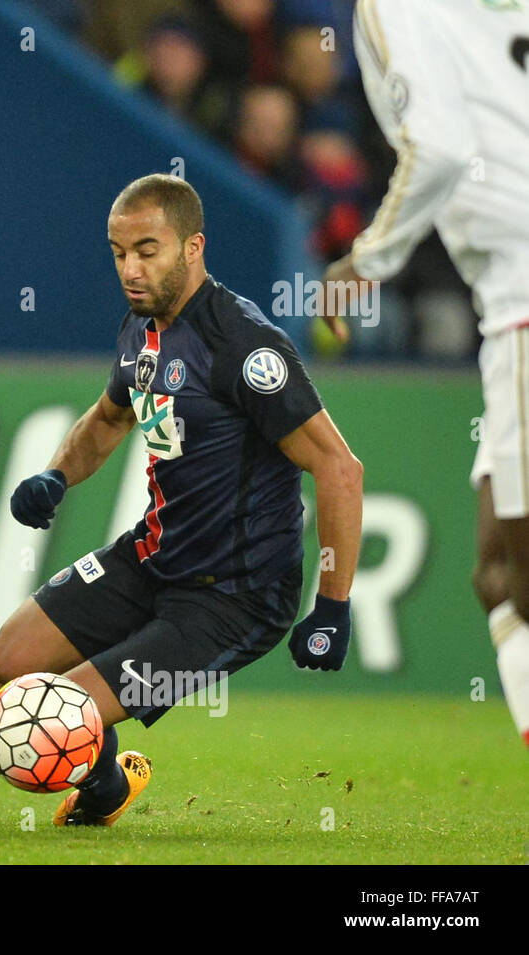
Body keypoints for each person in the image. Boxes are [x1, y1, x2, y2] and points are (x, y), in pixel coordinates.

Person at [0, 173, 364, 826]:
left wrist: (332, 604)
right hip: (152, 559)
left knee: (60, 710)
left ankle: (101, 786)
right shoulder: (141, 328)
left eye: (147, 249)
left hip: (234, 597)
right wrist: (56, 476)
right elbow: (108, 420)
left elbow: (338, 467)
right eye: (120, 251)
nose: (130, 267)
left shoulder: (243, 345)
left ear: (192, 247)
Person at [321, 0, 529, 748]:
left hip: (523, 303)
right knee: (498, 576)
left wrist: (365, 259)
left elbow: (437, 149)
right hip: (506, 312)